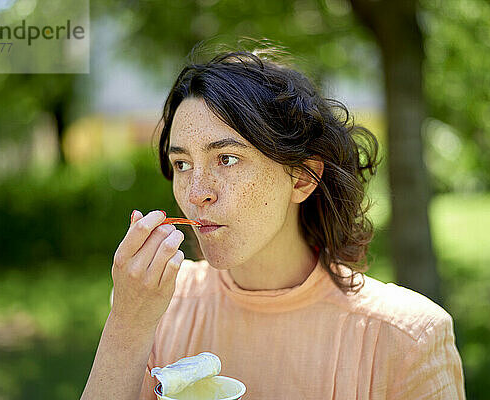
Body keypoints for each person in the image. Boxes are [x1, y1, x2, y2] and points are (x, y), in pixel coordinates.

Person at [81, 46, 466, 400]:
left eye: (226, 159)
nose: (196, 192)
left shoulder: (408, 338)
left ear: (301, 178)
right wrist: (126, 325)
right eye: (182, 164)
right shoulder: (153, 308)